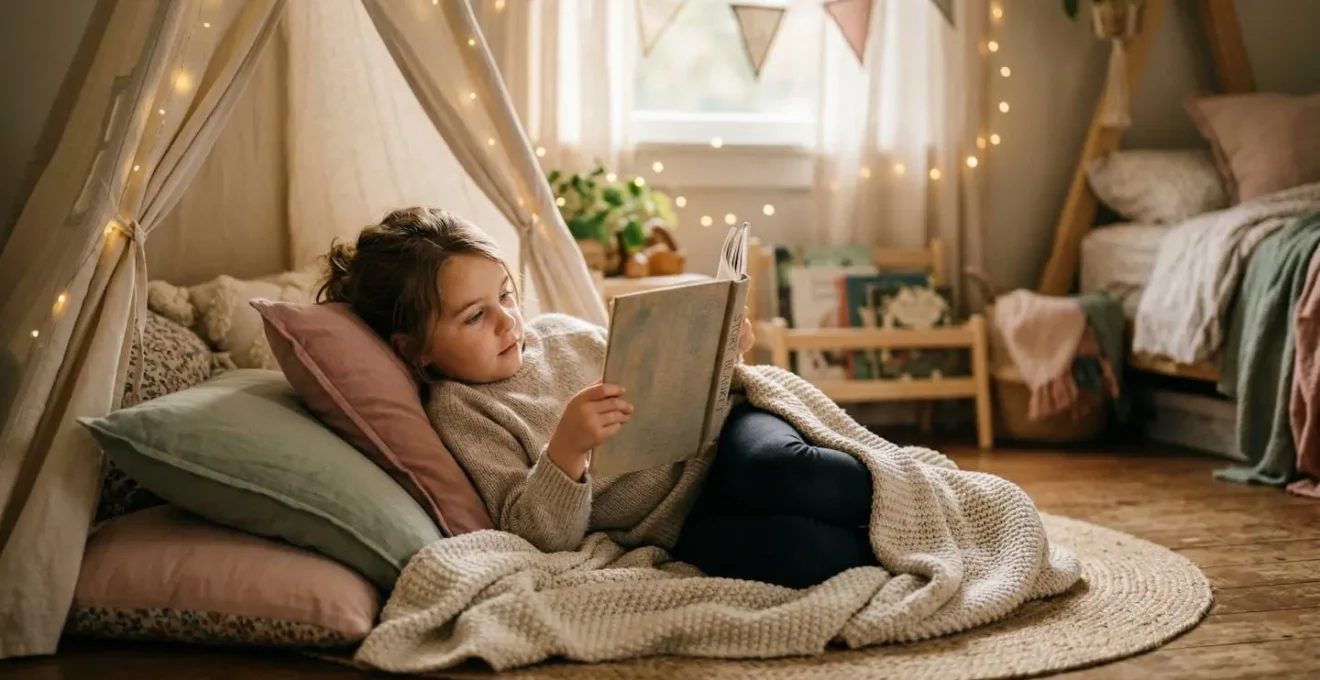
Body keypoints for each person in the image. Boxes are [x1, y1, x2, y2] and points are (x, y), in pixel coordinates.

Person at [320, 207, 877, 588]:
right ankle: (884, 543)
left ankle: (898, 502)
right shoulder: (463, 413)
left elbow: (671, 382)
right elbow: (535, 535)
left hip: (728, 439)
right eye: (474, 316)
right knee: (805, 554)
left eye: (506, 296)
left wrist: (724, 354)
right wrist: (566, 450)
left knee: (785, 471)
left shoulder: (561, 331)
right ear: (415, 350)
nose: (506, 321)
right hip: (678, 522)